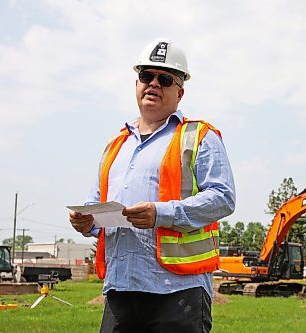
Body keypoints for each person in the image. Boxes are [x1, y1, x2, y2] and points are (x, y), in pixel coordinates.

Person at [69, 38, 236, 333]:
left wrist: (161, 213)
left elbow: (223, 198)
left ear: (179, 92)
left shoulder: (199, 137)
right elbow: (98, 202)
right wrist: (87, 221)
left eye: (165, 79)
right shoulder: (115, 145)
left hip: (178, 291)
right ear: (137, 83)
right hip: (121, 290)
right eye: (147, 76)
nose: (154, 84)